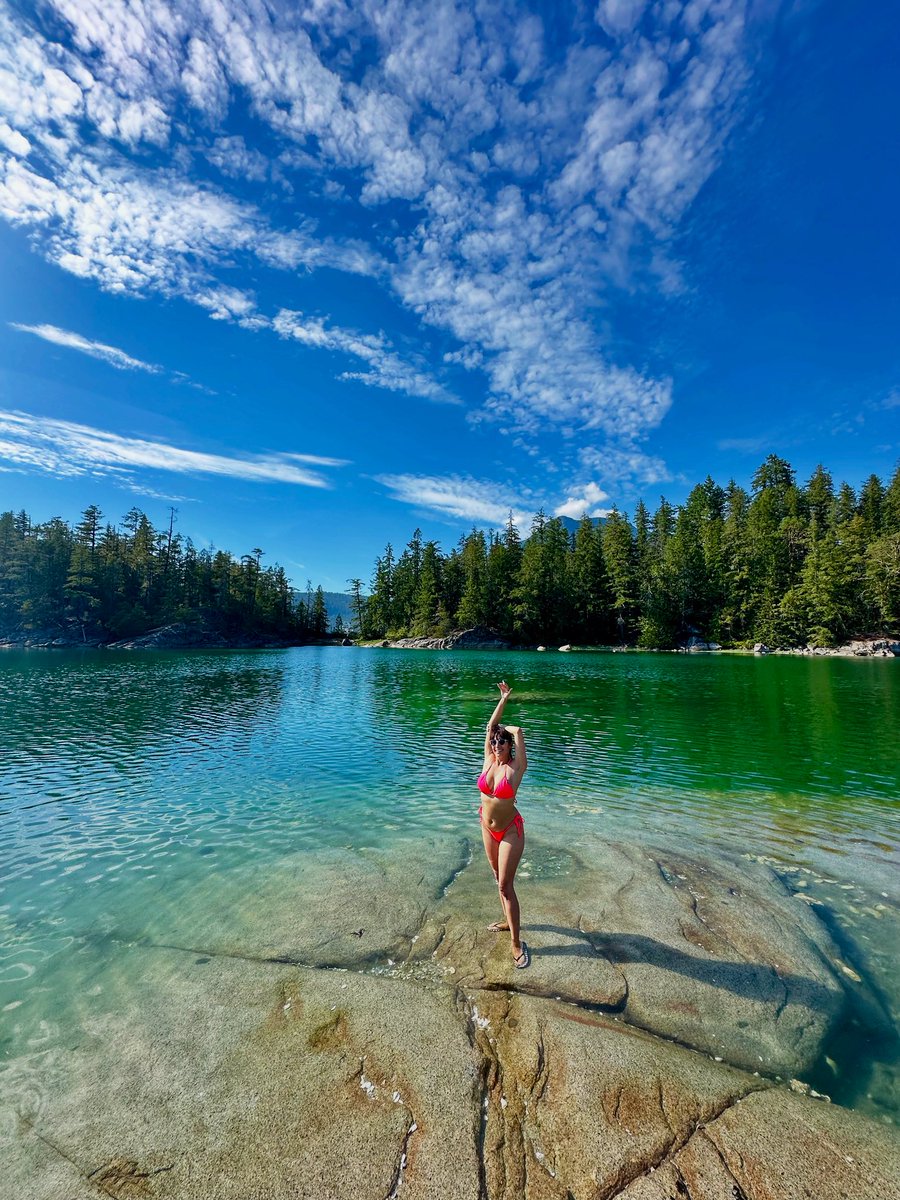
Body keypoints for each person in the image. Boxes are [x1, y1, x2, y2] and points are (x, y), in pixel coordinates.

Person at [477, 680, 529, 969]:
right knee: (498, 880)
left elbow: (518, 730)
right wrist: (504, 698)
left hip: (510, 830)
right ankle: (509, 922)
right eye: (495, 742)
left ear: (510, 746)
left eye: (501, 742)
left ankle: (516, 943)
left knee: (506, 886)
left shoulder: (516, 767)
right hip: (487, 826)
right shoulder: (488, 760)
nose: (496, 745)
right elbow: (489, 727)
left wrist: (508, 731)